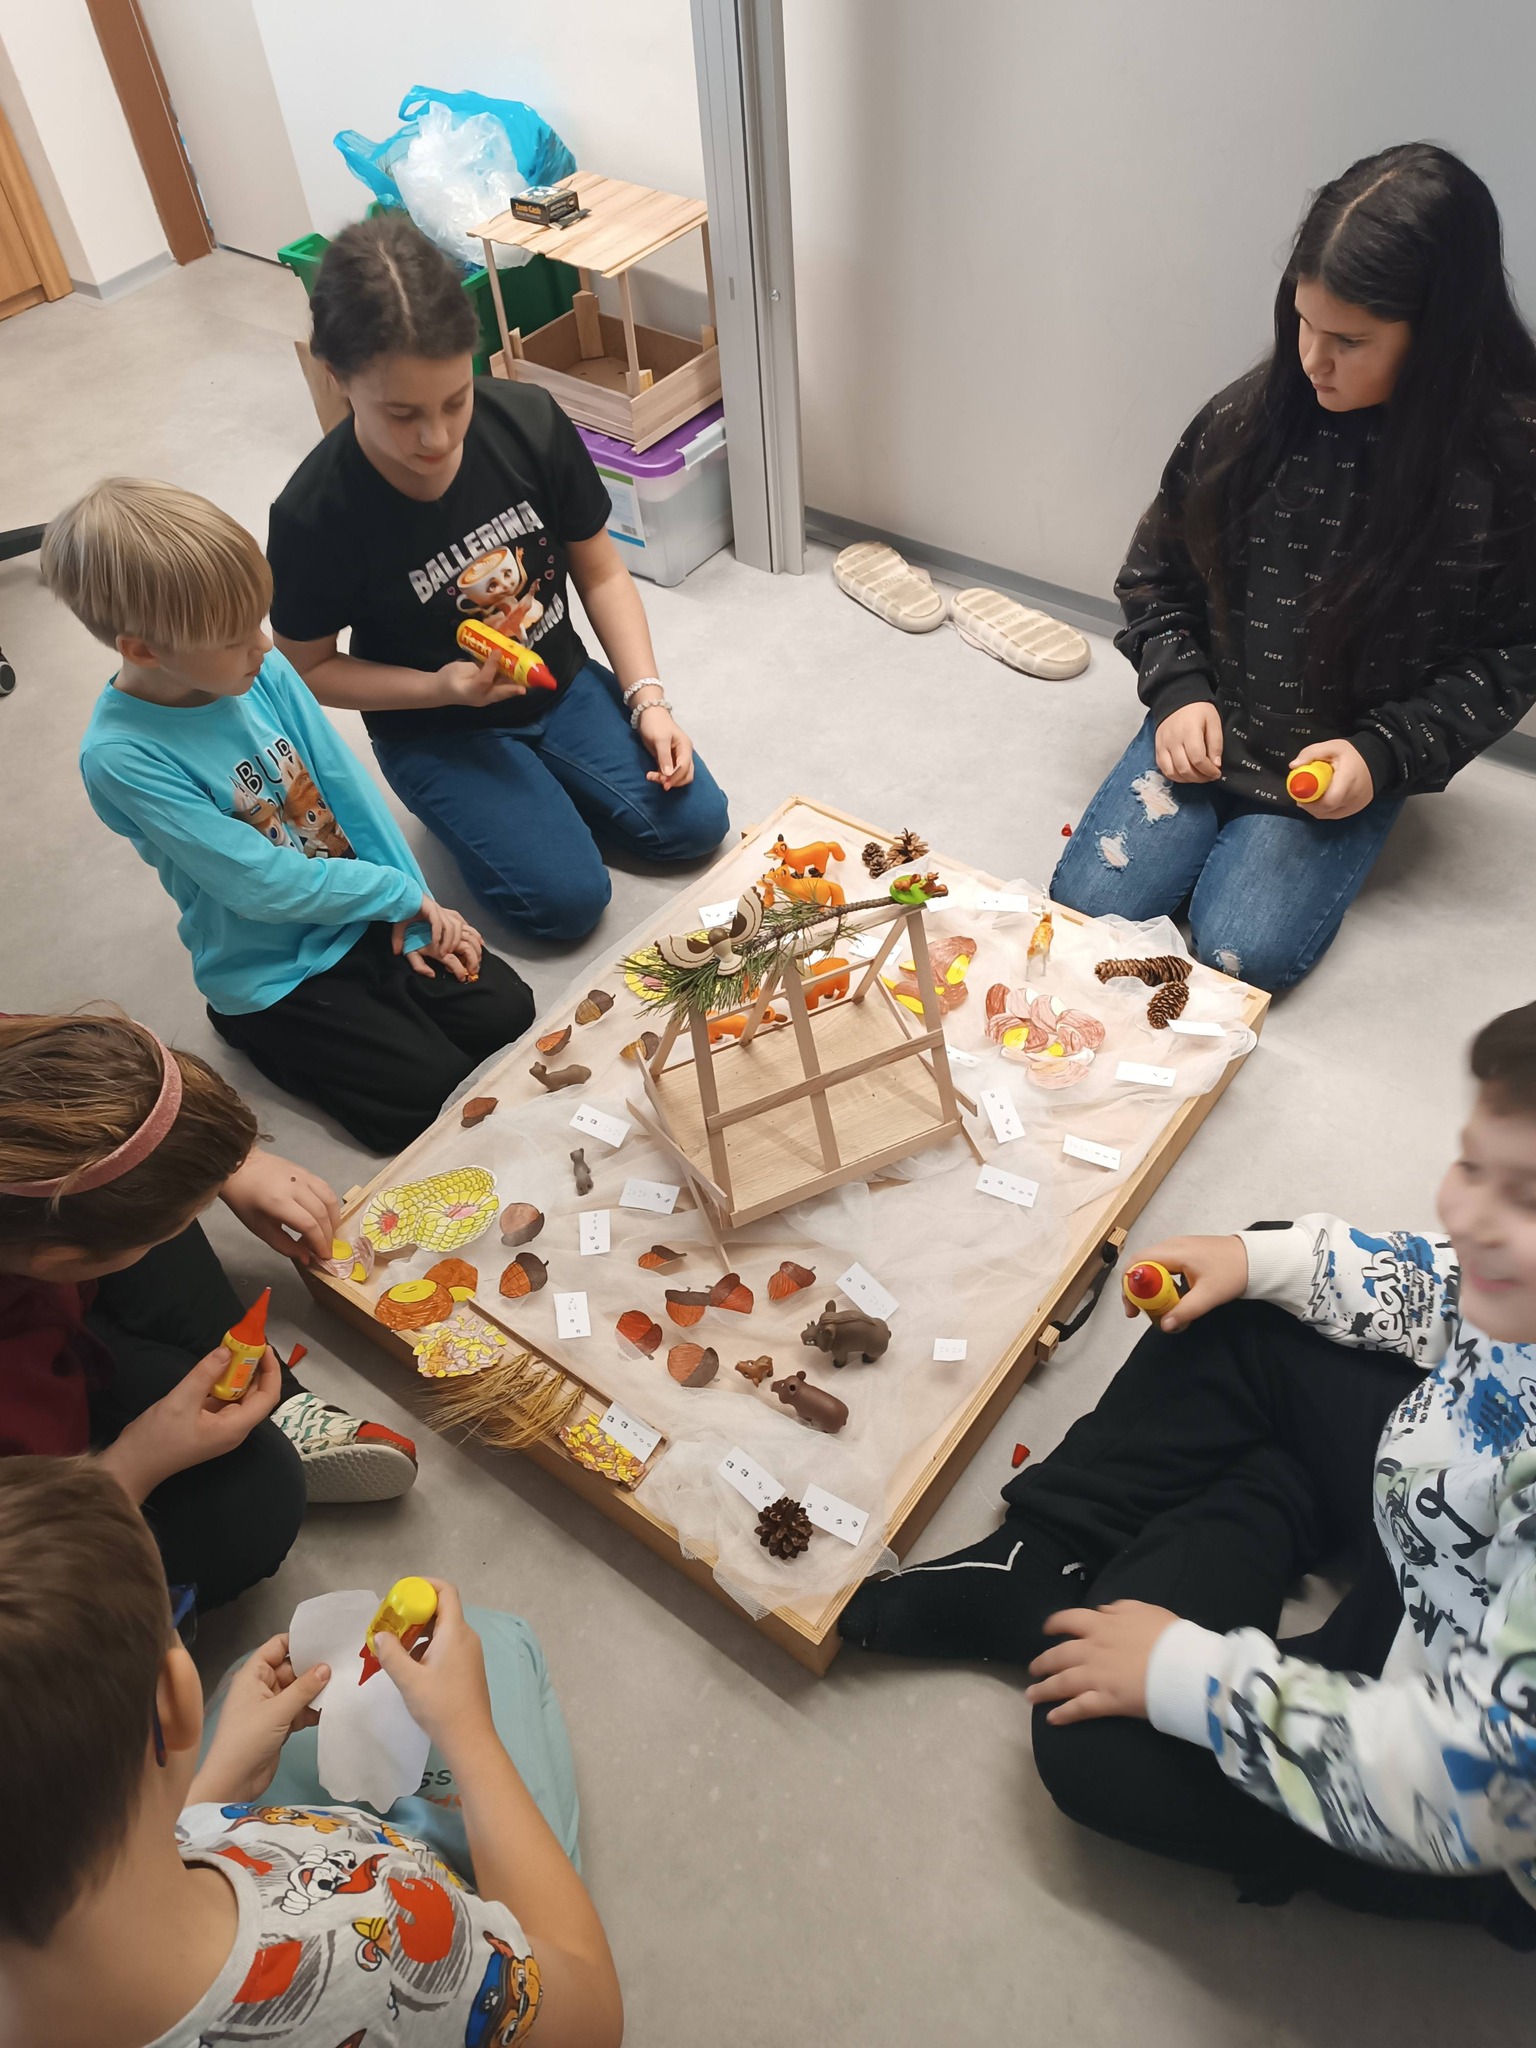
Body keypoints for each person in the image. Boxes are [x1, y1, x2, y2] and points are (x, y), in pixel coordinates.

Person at [840, 998, 1536, 1945]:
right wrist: (1266, 1259)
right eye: (1472, 1165)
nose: (1463, 1212)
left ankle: (1239, 1515)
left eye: (1524, 1198)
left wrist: (1193, 1678)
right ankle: (1043, 1556)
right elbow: (1449, 1280)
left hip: (1453, 1767)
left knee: (1097, 1751)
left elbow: (1464, 1790)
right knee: (1253, 1294)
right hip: (1457, 1519)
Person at [1051, 143, 1536, 991]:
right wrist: (1179, 692)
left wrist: (1381, 756)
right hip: (1216, 719)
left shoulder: (1506, 464)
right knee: (1088, 909)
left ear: (1439, 333)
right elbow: (1154, 576)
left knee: (1244, 953)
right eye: (1303, 321)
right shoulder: (1249, 418)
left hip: (1343, 756)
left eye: (1350, 340)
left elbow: (1511, 655)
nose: (1313, 358)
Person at [0, 1459, 623, 2048]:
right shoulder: (382, 1937)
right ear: (174, 1697)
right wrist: (468, 1731)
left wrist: (210, 1797)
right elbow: (590, 2016)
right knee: (504, 1642)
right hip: (404, 1926)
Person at [267, 213, 729, 946]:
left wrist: (647, 699)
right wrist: (440, 688)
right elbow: (308, 668)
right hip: (437, 728)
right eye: (401, 414)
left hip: (558, 682)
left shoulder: (528, 420)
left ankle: (545, 795)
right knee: (567, 904)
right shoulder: (314, 514)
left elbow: (602, 572)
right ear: (336, 375)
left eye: (456, 399)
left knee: (698, 824)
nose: (436, 437)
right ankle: (494, 805)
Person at [43, 476, 534, 1155]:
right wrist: (394, 896)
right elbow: (261, 886)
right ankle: (251, 1027)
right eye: (234, 636)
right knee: (421, 1101)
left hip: (359, 907)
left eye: (258, 620)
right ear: (145, 650)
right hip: (272, 966)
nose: (264, 645)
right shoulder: (121, 758)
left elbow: (345, 791)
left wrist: (417, 908)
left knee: (506, 1011)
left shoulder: (257, 669)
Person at [0, 1013, 418, 1610]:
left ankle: (276, 1401)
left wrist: (227, 1158)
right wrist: (129, 1467)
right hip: (37, 1512)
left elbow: (77, 1053)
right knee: (253, 1504)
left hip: (47, 1291)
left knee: (144, 1184)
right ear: (58, 1261)